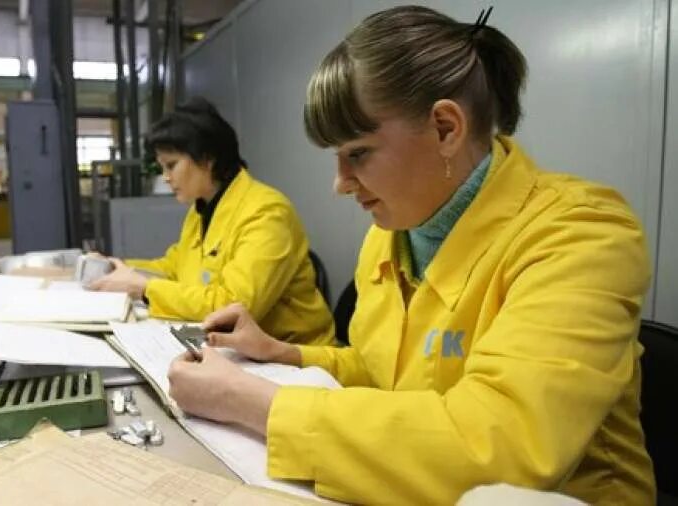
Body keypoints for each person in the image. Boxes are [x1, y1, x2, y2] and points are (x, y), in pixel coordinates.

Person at [167, 6, 655, 505]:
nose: (340, 184)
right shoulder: (393, 232)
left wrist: (253, 403)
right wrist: (284, 353)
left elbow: (504, 451)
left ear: (446, 128)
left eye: (357, 153)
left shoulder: (581, 235)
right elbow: (386, 373)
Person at [90, 97, 334, 345]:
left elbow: (233, 306)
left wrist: (145, 289)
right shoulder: (202, 208)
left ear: (207, 159)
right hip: (236, 349)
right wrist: (119, 268)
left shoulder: (267, 212)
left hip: (292, 355)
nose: (165, 177)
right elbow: (175, 266)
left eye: (171, 165)